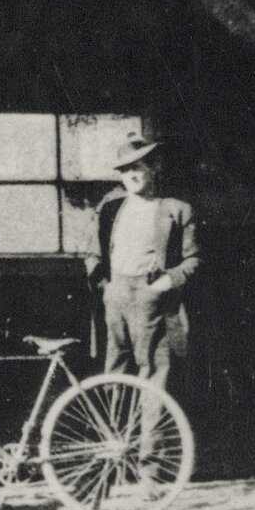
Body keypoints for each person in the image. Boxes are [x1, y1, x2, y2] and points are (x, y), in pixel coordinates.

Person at [87, 135, 200, 389]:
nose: (132, 175)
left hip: (153, 301)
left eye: (137, 167)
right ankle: (118, 429)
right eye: (125, 170)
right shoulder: (109, 209)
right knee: (115, 368)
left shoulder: (176, 210)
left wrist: (168, 281)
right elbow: (93, 254)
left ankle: (151, 431)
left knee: (155, 369)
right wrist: (106, 287)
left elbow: (194, 260)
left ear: (154, 167)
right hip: (116, 297)